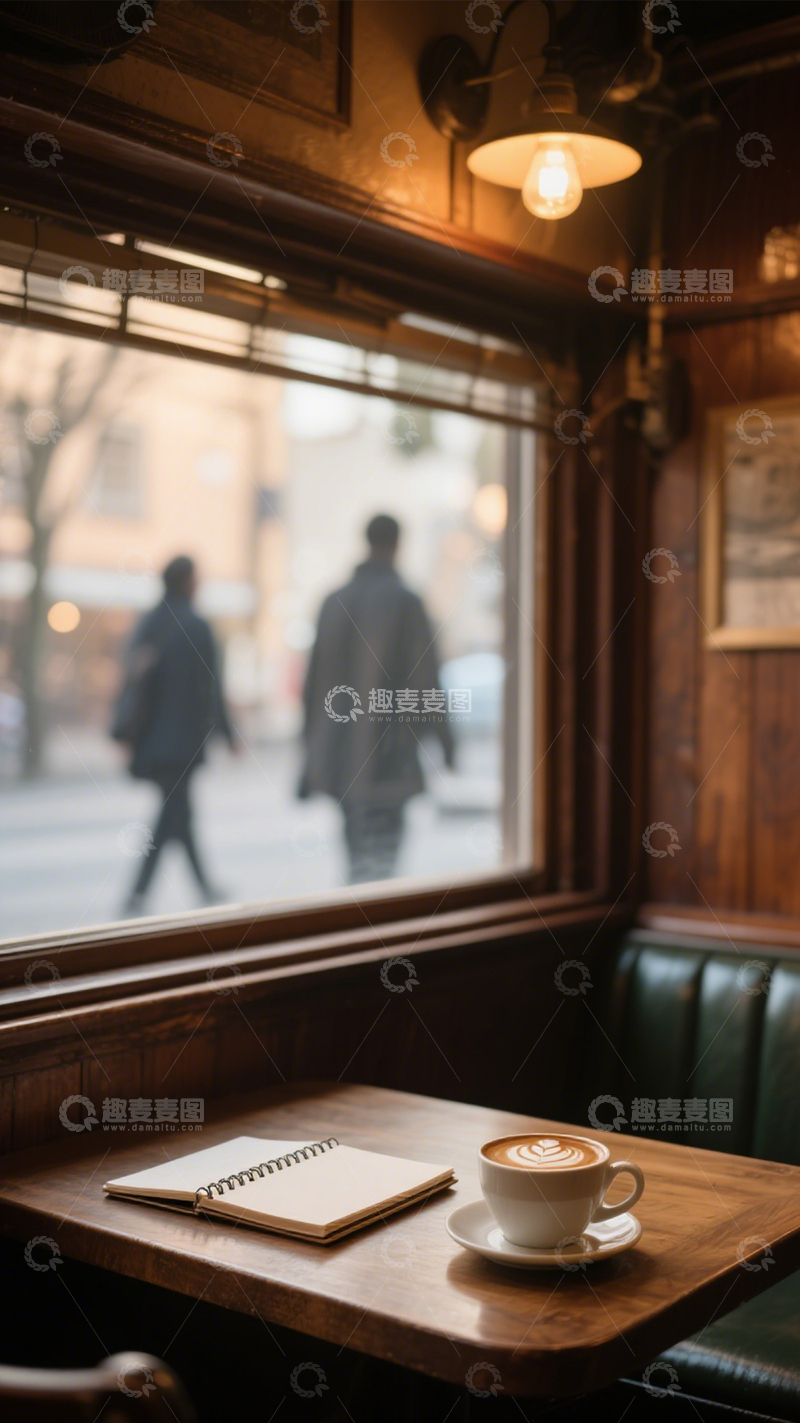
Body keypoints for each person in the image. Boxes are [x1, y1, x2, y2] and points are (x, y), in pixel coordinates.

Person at [299, 514, 455, 883]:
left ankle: (356, 923)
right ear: (398, 544)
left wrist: (310, 745)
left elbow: (313, 684)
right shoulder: (406, 602)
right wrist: (446, 743)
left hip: (340, 753)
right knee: (385, 867)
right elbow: (427, 682)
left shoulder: (332, 602)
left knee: (355, 858)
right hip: (391, 752)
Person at [112, 555, 236, 914]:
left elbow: (130, 682)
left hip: (151, 742)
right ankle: (140, 893)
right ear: (188, 582)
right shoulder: (198, 626)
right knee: (172, 816)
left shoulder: (148, 623)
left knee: (178, 813)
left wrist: (124, 733)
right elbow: (213, 688)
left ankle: (193, 888)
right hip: (185, 742)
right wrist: (228, 734)